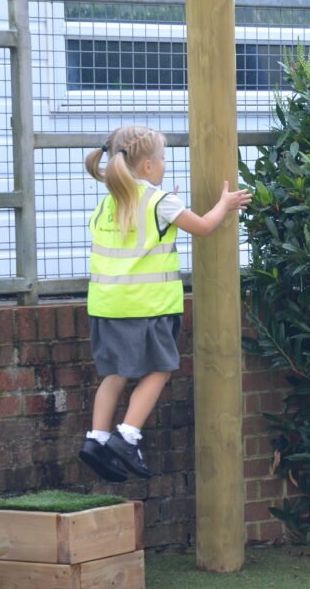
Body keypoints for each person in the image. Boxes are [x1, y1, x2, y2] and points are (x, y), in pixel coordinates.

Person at [78, 125, 252, 483]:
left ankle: (95, 439)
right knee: (160, 368)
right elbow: (203, 227)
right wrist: (225, 204)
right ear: (146, 167)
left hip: (106, 307)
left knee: (116, 373)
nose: (165, 165)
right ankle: (127, 435)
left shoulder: (107, 204)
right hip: (148, 306)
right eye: (163, 159)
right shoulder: (159, 200)